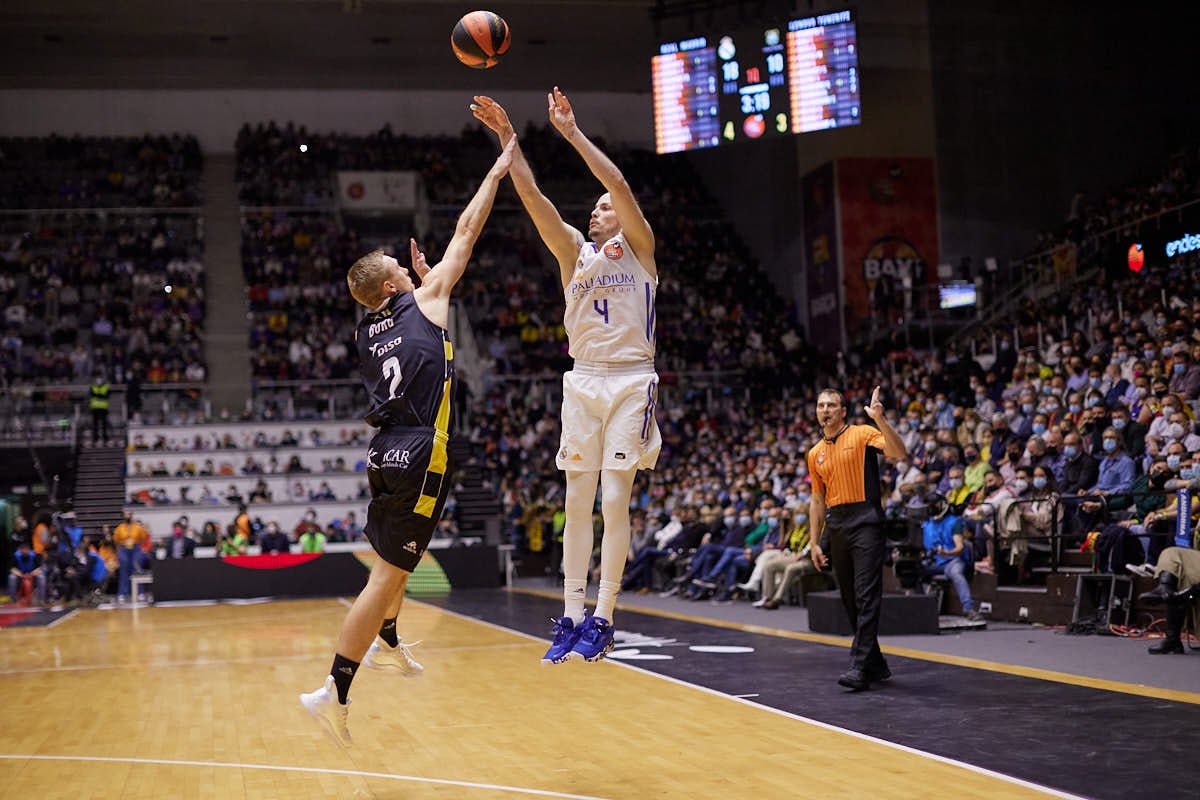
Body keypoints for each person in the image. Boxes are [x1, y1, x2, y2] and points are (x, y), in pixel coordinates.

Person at [300, 138, 514, 747]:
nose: (403, 258)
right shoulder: (423, 299)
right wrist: (498, 167)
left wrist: (418, 285)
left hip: (386, 450)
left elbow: (409, 329)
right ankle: (335, 689)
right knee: (386, 572)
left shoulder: (369, 328)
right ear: (393, 281)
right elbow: (468, 231)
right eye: (396, 260)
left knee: (400, 561)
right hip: (423, 451)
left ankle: (388, 642)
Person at [472, 91, 661, 664]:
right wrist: (509, 139)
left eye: (602, 207)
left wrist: (573, 134)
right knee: (577, 500)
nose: (595, 210)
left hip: (631, 379)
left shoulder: (641, 251)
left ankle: (604, 615)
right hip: (582, 381)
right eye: (595, 207)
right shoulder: (574, 253)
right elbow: (532, 197)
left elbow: (621, 184)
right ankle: (572, 613)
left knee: (614, 499)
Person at [807, 386, 906, 691]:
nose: (825, 410)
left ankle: (860, 665)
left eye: (831, 405)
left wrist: (880, 420)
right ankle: (876, 664)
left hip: (866, 521)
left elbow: (898, 453)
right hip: (837, 525)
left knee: (866, 594)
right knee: (849, 599)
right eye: (821, 405)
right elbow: (817, 501)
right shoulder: (814, 453)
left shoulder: (863, 434)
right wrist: (814, 542)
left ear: (842, 410)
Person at [89, 371, 110, 445]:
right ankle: (95, 438)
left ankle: (105, 438)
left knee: (104, 424)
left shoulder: (105, 386)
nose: (99, 379)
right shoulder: (93, 386)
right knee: (95, 425)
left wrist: (97, 395)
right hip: (95, 408)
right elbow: (92, 395)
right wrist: (100, 395)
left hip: (103, 408)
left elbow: (106, 395)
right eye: (97, 378)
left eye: (100, 378)